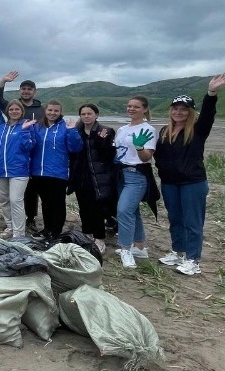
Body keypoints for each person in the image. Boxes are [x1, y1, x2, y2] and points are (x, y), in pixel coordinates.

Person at [154, 73, 224, 275]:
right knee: (175, 219)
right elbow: (159, 156)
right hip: (169, 183)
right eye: (175, 108)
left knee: (193, 222)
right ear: (171, 110)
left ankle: (193, 260)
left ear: (190, 112)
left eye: (184, 109)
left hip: (192, 183)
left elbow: (208, 113)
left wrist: (211, 93)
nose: (179, 112)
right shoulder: (164, 131)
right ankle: (178, 252)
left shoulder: (198, 129)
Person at [111, 96, 159, 268]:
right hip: (121, 174)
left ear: (144, 109)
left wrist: (139, 147)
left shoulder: (148, 130)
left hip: (137, 175)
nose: (131, 109)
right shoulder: (122, 129)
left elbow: (146, 157)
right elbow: (117, 151)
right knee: (133, 211)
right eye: (129, 106)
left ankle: (125, 249)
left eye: (136, 107)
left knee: (124, 211)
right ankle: (139, 247)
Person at [0, 71, 46, 231]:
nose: (26, 91)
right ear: (19, 91)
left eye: (29, 89)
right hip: (18, 155)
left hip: (36, 153)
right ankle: (15, 223)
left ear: (34, 91)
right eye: (23, 89)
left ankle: (30, 218)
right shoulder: (13, 106)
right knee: (14, 195)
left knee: (31, 190)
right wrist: (3, 81)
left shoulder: (41, 110)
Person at [29, 100, 83, 240]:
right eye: (50, 110)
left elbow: (75, 148)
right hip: (39, 172)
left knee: (58, 203)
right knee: (45, 202)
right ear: (45, 111)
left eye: (56, 111)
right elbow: (30, 147)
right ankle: (47, 228)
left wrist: (72, 131)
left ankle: (56, 232)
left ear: (60, 112)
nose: (52, 113)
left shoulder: (65, 127)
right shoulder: (37, 127)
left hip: (58, 173)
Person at [67, 103, 116, 254]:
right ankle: (86, 234)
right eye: (83, 114)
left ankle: (99, 238)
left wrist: (101, 141)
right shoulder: (77, 131)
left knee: (98, 207)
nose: (86, 116)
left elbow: (109, 156)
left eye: (89, 113)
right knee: (83, 206)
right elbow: (72, 153)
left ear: (96, 115)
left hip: (98, 175)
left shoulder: (105, 131)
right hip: (81, 175)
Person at [0, 100, 37, 238]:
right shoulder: (1, 128)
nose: (14, 112)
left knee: (16, 200)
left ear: (22, 111)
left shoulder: (27, 125)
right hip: (0, 170)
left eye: (17, 109)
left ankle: (19, 233)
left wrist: (25, 131)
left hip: (19, 170)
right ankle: (10, 227)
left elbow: (29, 146)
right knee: (4, 200)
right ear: (7, 111)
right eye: (11, 109)